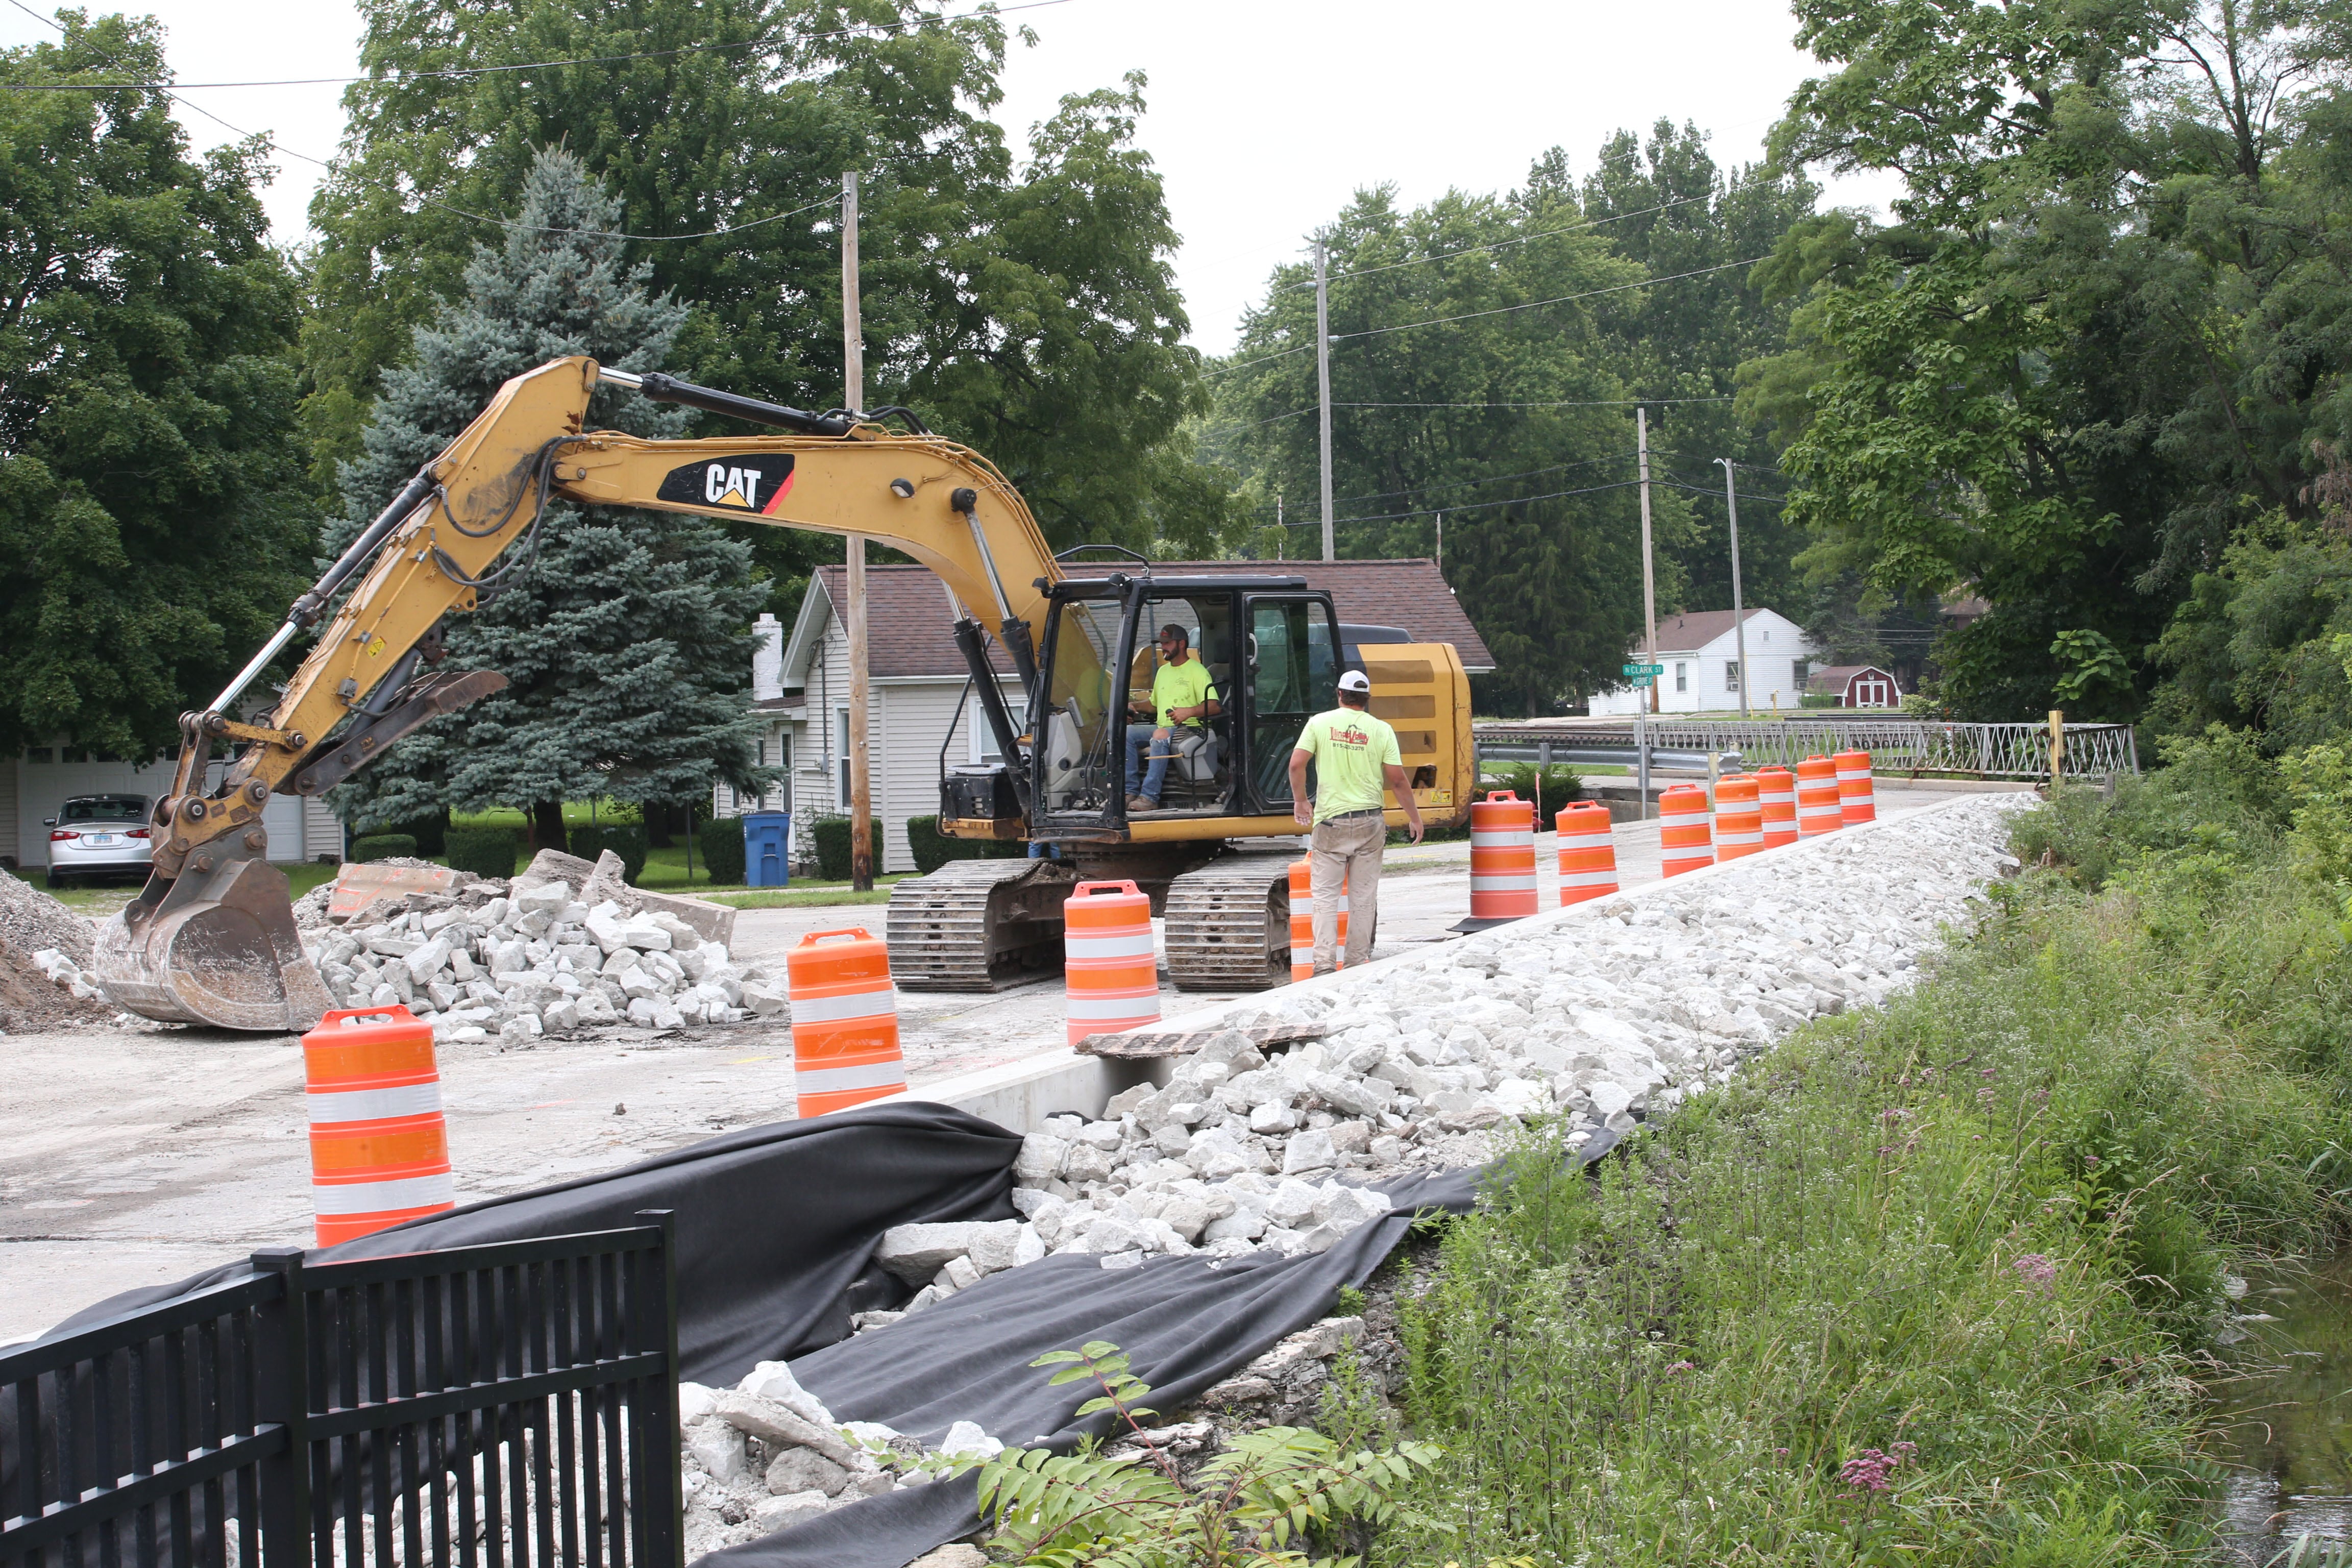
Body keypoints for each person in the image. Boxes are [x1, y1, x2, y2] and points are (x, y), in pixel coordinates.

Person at [1288, 668, 1423, 974]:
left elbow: (1297, 764)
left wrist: (1301, 801)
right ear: (1367, 699)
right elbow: (1398, 781)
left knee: (1324, 897)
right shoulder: (1381, 729)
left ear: (1339, 695)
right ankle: (1354, 966)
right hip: (1369, 822)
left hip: (1330, 823)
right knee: (1363, 898)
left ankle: (1323, 965)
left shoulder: (1319, 723)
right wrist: (1414, 818)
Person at [1125, 623, 1219, 813]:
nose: (1163, 647)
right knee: (1125, 733)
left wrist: (1189, 711)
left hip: (1192, 728)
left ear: (1182, 644)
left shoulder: (1197, 671)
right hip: (1165, 726)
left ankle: (1150, 798)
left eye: (1167, 643)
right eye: (1162, 643)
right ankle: (1129, 791)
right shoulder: (1163, 671)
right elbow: (1154, 704)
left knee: (1160, 734)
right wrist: (1133, 706)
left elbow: (1215, 706)